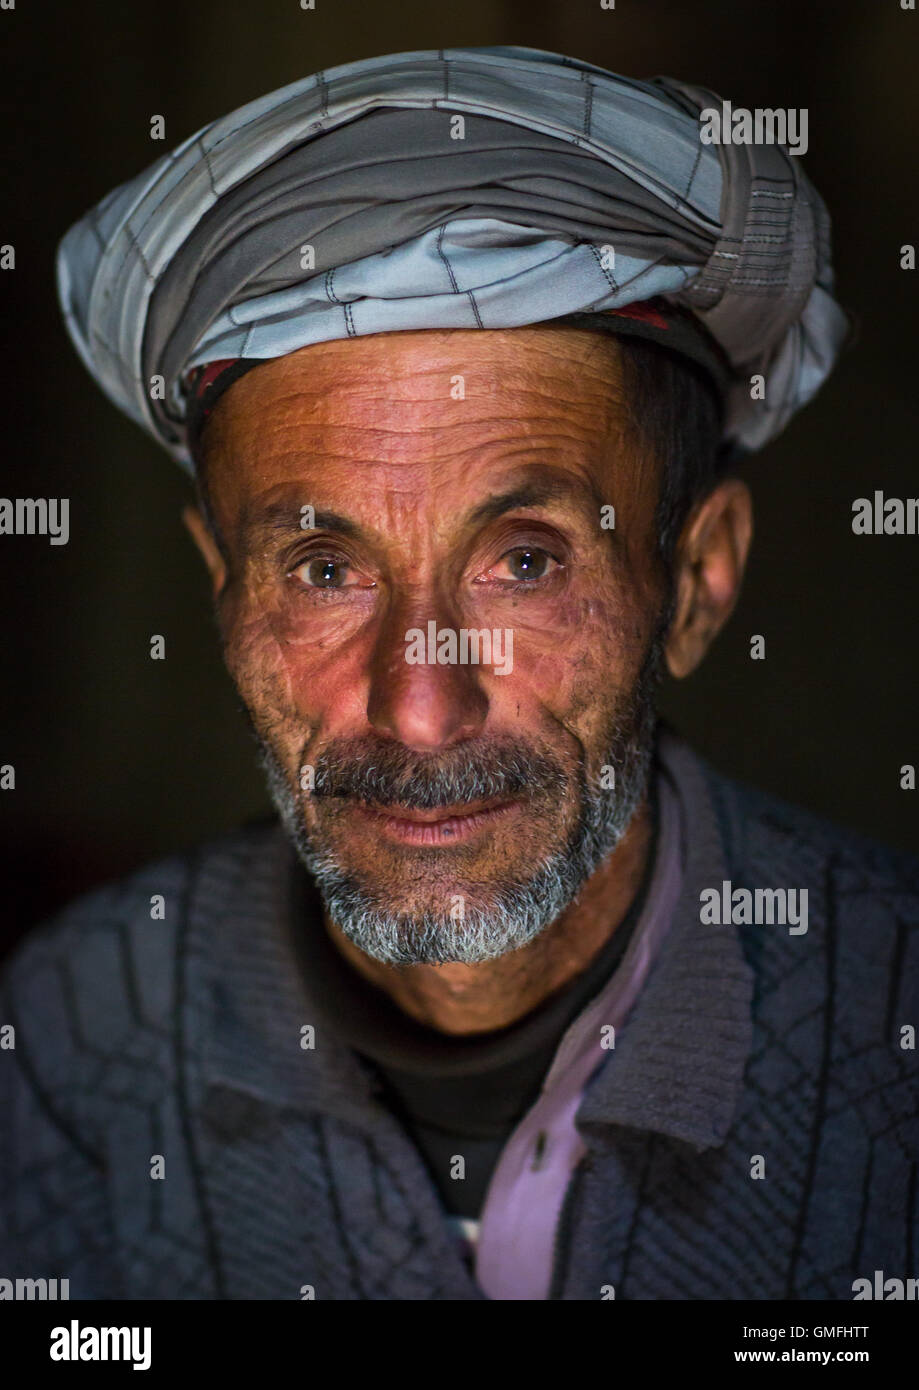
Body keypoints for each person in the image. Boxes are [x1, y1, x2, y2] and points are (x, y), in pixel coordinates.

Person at [2, 46, 916, 1302]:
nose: (420, 704)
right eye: (325, 570)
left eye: (525, 562)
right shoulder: (69, 1030)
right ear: (221, 587)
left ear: (696, 582)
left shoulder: (894, 1007)